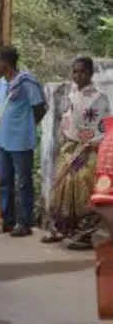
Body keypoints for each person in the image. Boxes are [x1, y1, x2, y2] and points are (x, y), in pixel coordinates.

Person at [42, 57, 110, 250]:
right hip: (69, 147)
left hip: (88, 149)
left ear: (91, 74)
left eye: (82, 72)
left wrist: (90, 143)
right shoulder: (72, 94)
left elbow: (103, 126)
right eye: (75, 72)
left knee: (82, 189)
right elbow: (67, 120)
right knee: (61, 187)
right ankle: (61, 230)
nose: (78, 75)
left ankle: (85, 234)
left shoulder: (99, 99)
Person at [0, 46, 46, 237]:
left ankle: (25, 222)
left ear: (6, 63)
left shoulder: (27, 82)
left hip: (20, 141)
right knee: (4, 180)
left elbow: (40, 108)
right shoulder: (1, 83)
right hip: (3, 140)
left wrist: (27, 126)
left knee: (23, 182)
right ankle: (7, 221)